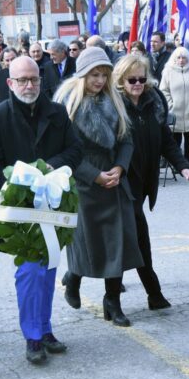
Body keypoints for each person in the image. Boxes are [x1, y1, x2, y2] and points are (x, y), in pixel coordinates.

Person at [0, 56, 82, 363]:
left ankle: (45, 328)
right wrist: (16, 186)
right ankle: (33, 336)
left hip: (52, 204)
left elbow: (75, 150)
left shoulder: (58, 113)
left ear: (41, 81)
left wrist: (50, 168)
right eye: (22, 80)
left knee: (48, 269)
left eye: (34, 79)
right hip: (18, 210)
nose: (29, 85)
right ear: (10, 83)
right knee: (29, 271)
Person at [54, 46, 143, 326]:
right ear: (82, 75)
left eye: (104, 75)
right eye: (94, 75)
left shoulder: (115, 101)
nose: (100, 81)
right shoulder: (67, 105)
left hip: (114, 181)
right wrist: (94, 175)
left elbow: (126, 139)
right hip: (84, 183)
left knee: (118, 243)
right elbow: (66, 152)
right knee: (86, 244)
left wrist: (120, 167)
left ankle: (113, 302)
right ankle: (74, 279)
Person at [114, 54, 189, 310]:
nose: (137, 83)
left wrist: (182, 165)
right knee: (136, 237)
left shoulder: (154, 102)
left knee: (126, 239)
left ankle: (91, 285)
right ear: (121, 80)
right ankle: (151, 293)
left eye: (141, 78)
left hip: (144, 182)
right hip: (121, 184)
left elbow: (166, 140)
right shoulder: (113, 106)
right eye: (131, 79)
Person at [160, 46, 189, 163]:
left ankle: (188, 162)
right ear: (174, 58)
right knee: (175, 141)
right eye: (178, 57)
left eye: (183, 57)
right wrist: (170, 105)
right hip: (175, 113)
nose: (181, 60)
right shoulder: (168, 71)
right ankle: (178, 164)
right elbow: (164, 90)